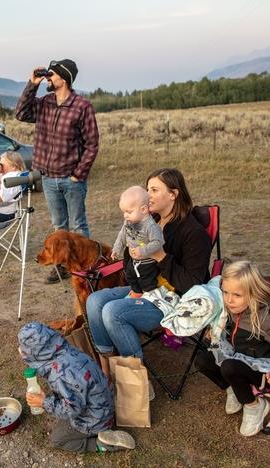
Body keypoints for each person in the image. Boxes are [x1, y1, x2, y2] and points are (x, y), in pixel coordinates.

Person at [85, 168, 212, 383]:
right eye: (147, 189)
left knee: (113, 312)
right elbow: (130, 255)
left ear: (173, 194)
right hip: (146, 287)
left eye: (154, 190)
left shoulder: (193, 232)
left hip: (173, 298)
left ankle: (136, 383)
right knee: (95, 300)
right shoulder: (147, 220)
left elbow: (193, 284)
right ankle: (107, 368)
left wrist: (161, 256)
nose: (148, 195)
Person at [194, 261, 270, 437]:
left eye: (237, 295)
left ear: (254, 295)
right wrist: (216, 331)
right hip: (241, 357)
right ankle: (232, 388)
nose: (229, 299)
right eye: (225, 292)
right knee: (202, 360)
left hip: (265, 369)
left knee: (229, 367)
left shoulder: (267, 321)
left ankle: (254, 405)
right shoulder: (231, 309)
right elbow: (231, 331)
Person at [15, 59, 99, 284]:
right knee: (59, 226)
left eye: (51, 75)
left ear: (64, 78)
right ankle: (62, 266)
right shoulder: (44, 103)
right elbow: (21, 113)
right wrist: (32, 84)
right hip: (48, 178)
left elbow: (92, 144)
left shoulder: (82, 107)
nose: (48, 78)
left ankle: (86, 269)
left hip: (71, 179)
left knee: (78, 225)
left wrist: (78, 173)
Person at [18, 321, 136, 453]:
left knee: (57, 439)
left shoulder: (59, 375)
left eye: (23, 348)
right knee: (62, 420)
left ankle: (101, 443)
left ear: (35, 353)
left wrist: (44, 403)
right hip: (102, 403)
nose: (21, 351)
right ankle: (102, 428)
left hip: (96, 418)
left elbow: (73, 409)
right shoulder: (65, 350)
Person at [111, 186, 164, 297]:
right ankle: (137, 292)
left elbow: (158, 242)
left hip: (147, 262)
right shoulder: (129, 221)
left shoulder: (150, 226)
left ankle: (149, 296)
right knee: (130, 276)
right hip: (134, 260)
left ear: (144, 209)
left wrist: (142, 250)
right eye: (124, 212)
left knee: (147, 281)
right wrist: (117, 248)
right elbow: (122, 235)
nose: (125, 215)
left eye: (129, 212)